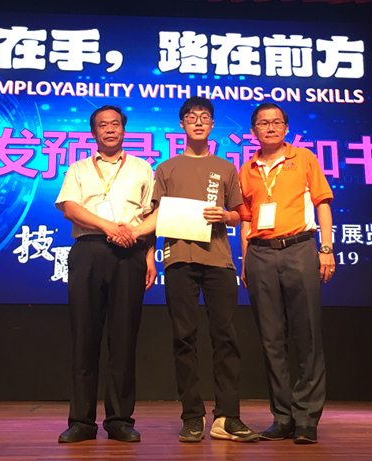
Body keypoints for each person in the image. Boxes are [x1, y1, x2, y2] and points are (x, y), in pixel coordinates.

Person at [126, 96, 258, 444]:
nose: (198, 122)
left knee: (225, 338)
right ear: (182, 124)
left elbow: (239, 214)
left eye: (204, 117)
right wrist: (149, 255)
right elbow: (155, 217)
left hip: (219, 261)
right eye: (191, 117)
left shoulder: (226, 167)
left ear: (212, 125)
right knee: (184, 338)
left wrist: (225, 216)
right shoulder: (166, 168)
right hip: (179, 261)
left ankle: (228, 416)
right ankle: (192, 416)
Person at [55, 105, 156, 443]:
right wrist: (108, 227)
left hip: (130, 253)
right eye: (103, 125)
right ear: (93, 132)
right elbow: (71, 208)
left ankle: (119, 420)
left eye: (115, 124)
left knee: (124, 339)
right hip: (89, 250)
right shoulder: (79, 168)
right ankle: (81, 422)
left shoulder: (142, 168)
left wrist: (149, 256)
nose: (110, 129)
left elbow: (153, 214)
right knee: (84, 338)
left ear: (124, 130)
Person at [238, 102, 335, 444]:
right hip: (260, 254)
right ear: (254, 131)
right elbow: (246, 219)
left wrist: (326, 248)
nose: (270, 127)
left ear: (286, 128)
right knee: (271, 339)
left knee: (307, 335)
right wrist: (245, 260)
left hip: (299, 249)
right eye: (263, 123)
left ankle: (307, 418)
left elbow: (322, 203)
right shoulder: (246, 169)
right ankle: (283, 417)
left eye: (277, 122)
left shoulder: (304, 158)